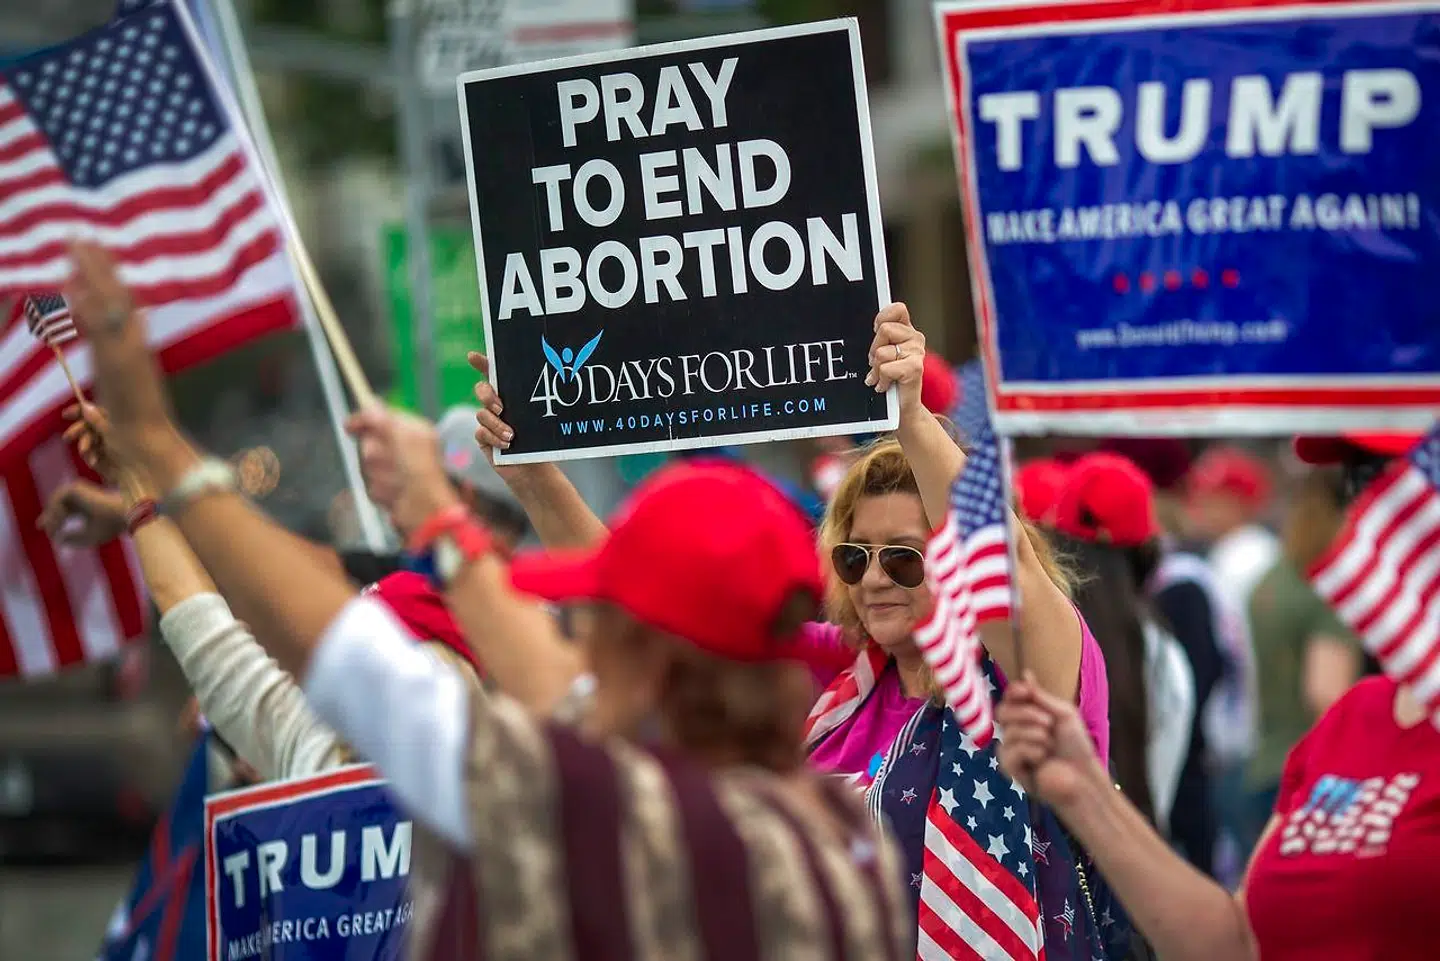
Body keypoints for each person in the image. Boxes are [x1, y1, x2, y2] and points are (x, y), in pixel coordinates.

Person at [63, 240, 913, 959]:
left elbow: (346, 659)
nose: (578, 641)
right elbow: (551, 680)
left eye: (600, 620)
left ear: (654, 661)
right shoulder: (845, 838)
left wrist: (166, 457)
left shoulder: (612, 809)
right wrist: (445, 515)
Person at [461, 304, 1114, 957]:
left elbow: (1006, 559)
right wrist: (534, 475)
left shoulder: (1025, 674)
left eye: (904, 556)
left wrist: (911, 418)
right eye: (855, 556)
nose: (875, 578)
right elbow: (647, 605)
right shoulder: (839, 674)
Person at [995, 429, 1436, 961]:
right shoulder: (1353, 718)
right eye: (1353, 483)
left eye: (1395, 482)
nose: (1359, 513)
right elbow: (1235, 941)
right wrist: (1082, 789)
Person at [1045, 453, 1195, 829]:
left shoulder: (1039, 637)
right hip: (1132, 861)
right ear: (1148, 554)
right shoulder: (1166, 656)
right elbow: (1161, 786)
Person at [1244, 466, 1365, 837]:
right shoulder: (1328, 584)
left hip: (1265, 765)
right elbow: (1327, 694)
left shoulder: (1275, 577)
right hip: (1312, 784)